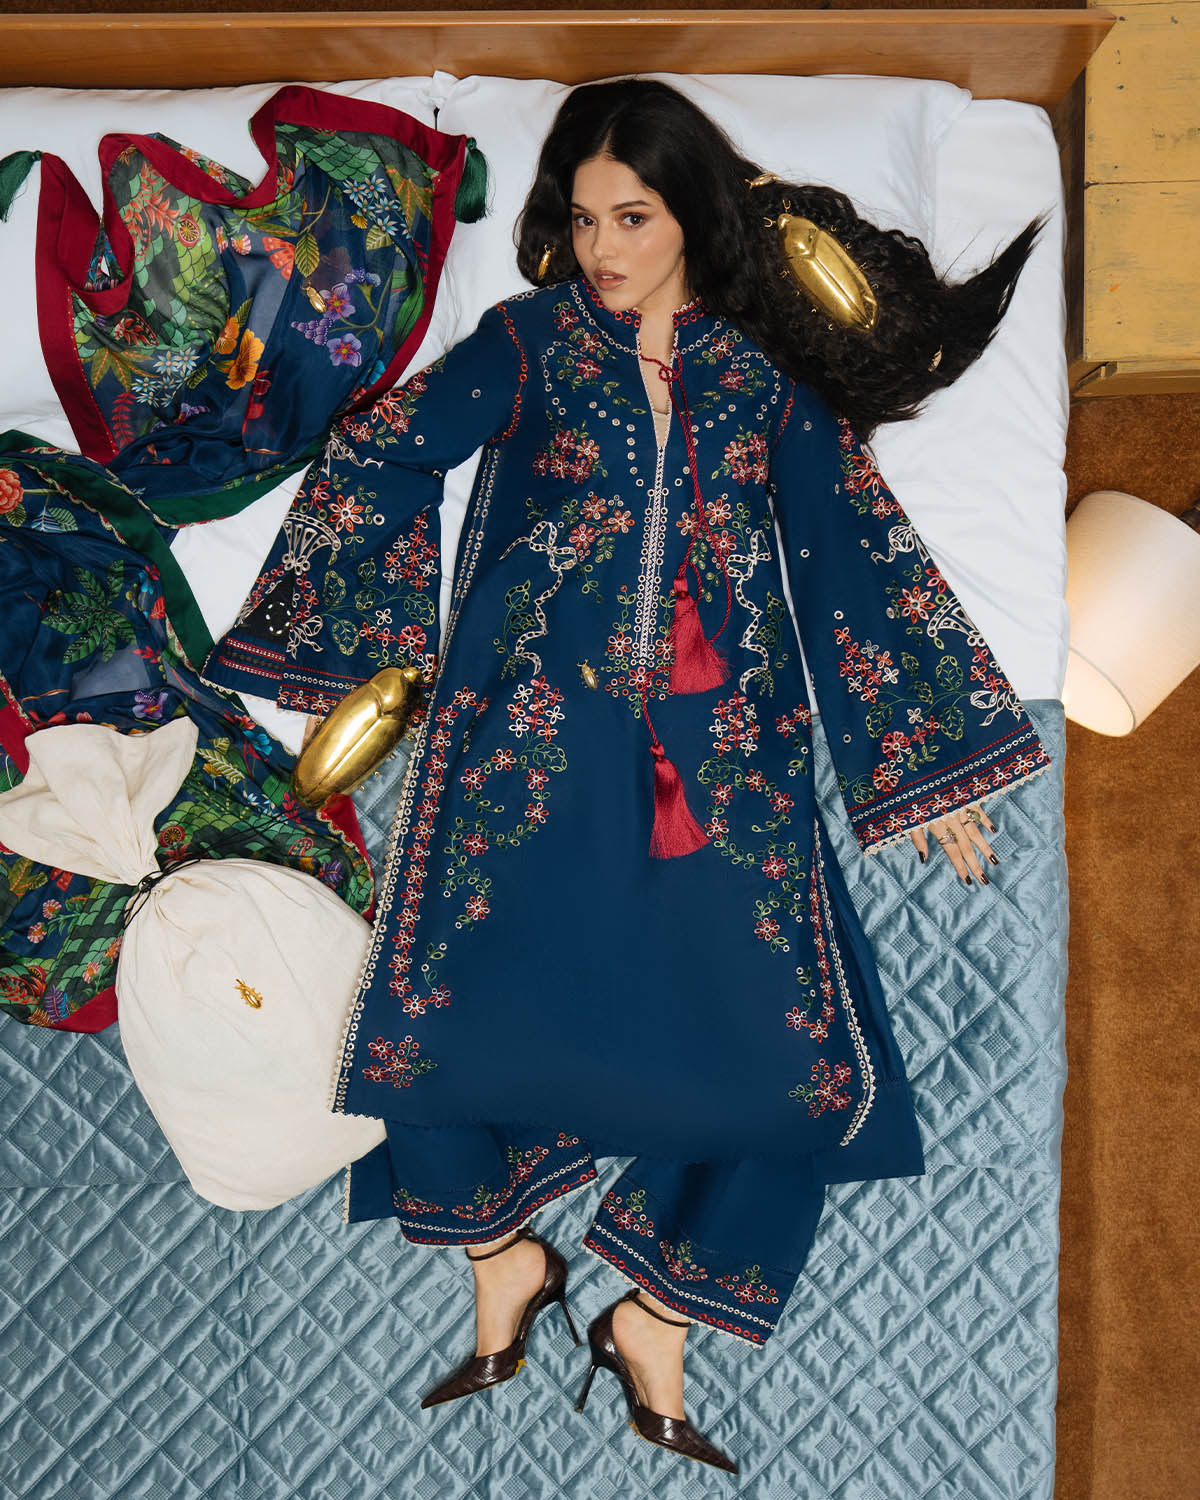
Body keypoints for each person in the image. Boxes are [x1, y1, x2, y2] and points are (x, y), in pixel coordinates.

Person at [203, 79, 1050, 1476]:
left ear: (690, 217)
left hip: (722, 762)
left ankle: (656, 1313)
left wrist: (921, 754)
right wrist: (373, 657)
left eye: (633, 217)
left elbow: (850, 539)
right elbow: (384, 448)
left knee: (808, 1065)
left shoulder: (764, 377)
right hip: (526, 736)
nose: (602, 246)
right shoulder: (528, 343)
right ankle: (502, 1258)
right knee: (427, 1009)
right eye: (584, 217)